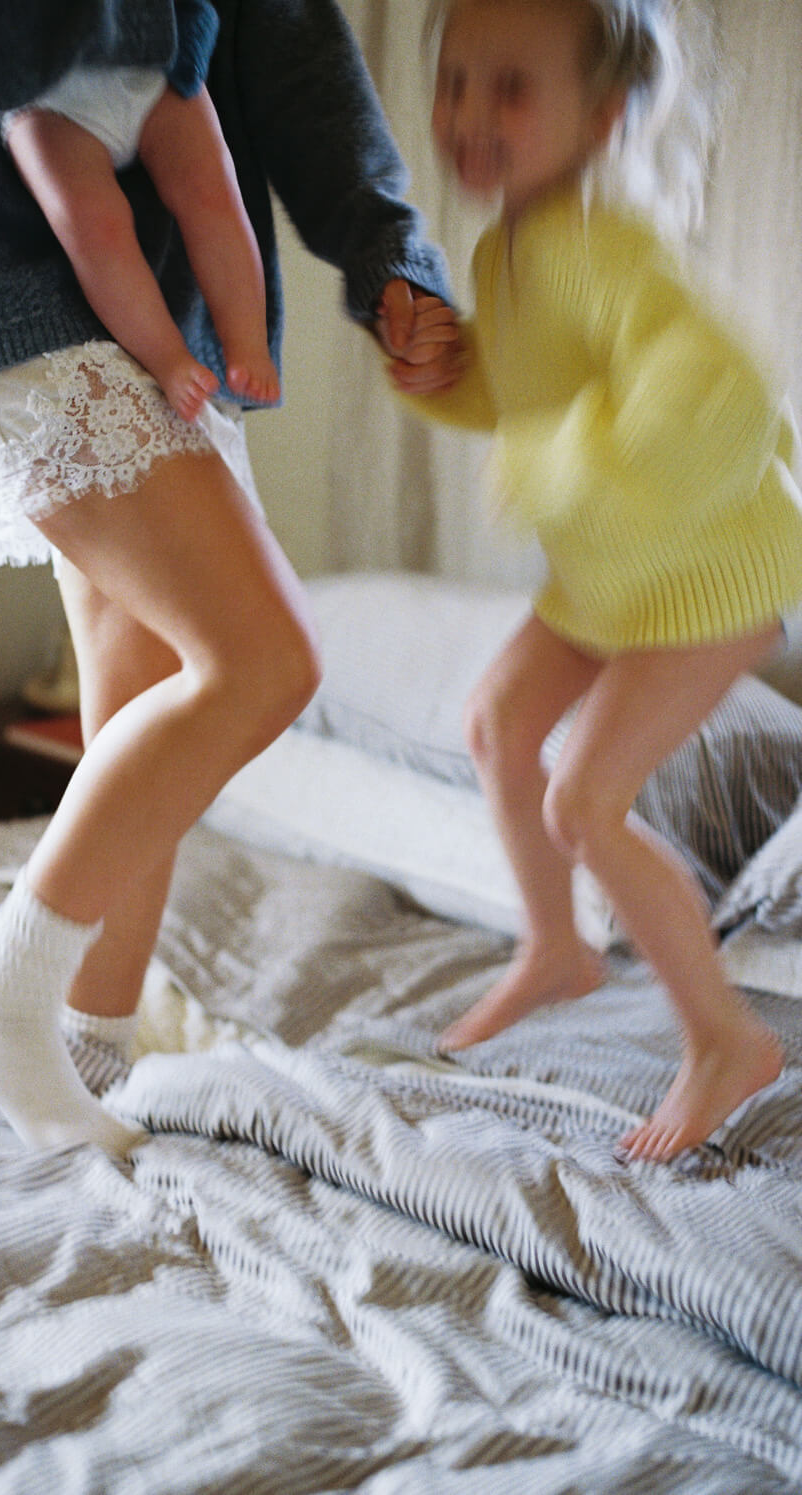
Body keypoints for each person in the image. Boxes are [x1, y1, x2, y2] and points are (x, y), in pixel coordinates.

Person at [0, 0, 453, 1157]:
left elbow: (290, 44)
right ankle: (3, 1004)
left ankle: (91, 1040)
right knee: (265, 660)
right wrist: (153, 23)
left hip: (158, 314)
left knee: (146, 679)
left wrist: (387, 252)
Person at [388, 0, 802, 1163]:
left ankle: (725, 1037)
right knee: (494, 721)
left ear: (607, 114)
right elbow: (527, 389)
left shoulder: (606, 243)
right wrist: (448, 376)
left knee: (583, 802)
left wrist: (562, 458)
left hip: (709, 582)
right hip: (609, 579)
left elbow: (721, 389)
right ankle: (554, 950)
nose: (469, 114)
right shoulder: (504, 246)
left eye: (508, 89)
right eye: (454, 82)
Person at [2, 8, 280, 422]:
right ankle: (167, 358)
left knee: (213, 192)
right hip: (43, 102)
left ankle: (247, 340)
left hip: (156, 65)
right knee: (96, 229)